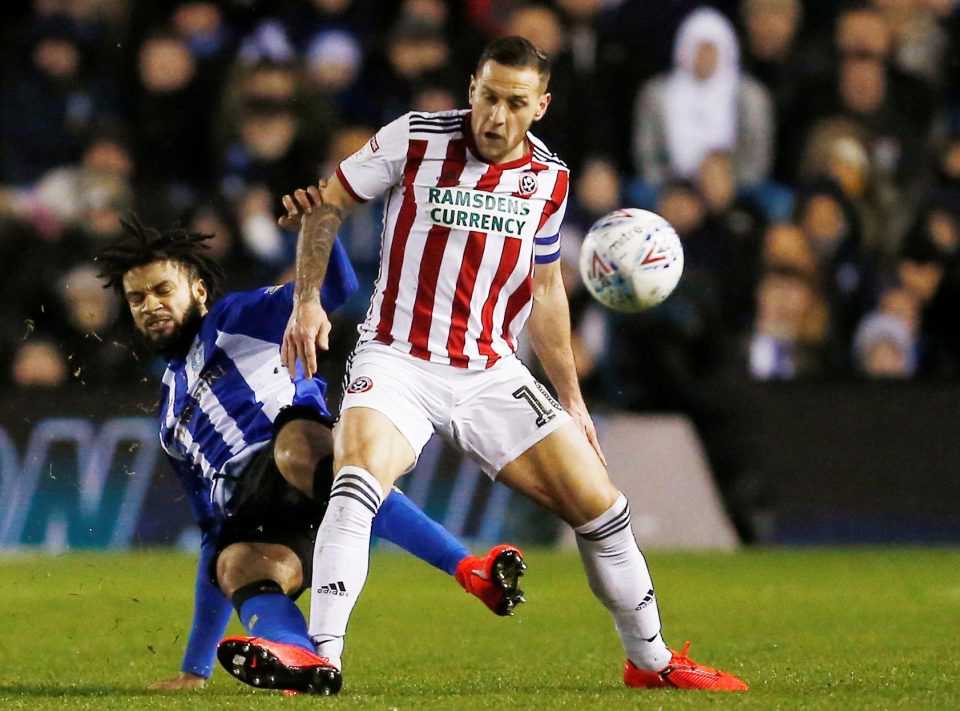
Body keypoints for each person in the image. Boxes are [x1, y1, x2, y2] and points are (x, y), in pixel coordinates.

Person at [268, 36, 749, 694]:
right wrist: (306, 300)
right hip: (396, 359)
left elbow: (545, 289)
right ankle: (323, 657)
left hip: (491, 372)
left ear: (541, 106)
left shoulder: (548, 180)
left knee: (603, 509)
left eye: (515, 103)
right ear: (472, 87)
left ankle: (652, 660)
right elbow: (326, 205)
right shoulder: (413, 138)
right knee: (356, 484)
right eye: (488, 97)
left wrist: (572, 399)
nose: (496, 116)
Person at [95, 215, 526, 692]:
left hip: (300, 455)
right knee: (233, 562)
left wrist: (318, 231)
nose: (150, 305)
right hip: (260, 512)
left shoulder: (238, 318)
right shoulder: (169, 415)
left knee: (296, 451)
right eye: (137, 299)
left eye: (161, 289)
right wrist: (194, 670)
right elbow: (211, 533)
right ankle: (299, 659)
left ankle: (470, 570)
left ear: (197, 290)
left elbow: (336, 286)